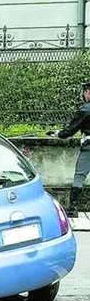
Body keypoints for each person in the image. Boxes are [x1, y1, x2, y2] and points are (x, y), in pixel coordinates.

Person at [47, 81, 90, 217]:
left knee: (79, 176)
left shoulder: (85, 110)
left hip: (89, 148)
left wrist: (56, 133)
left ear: (88, 92)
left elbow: (69, 132)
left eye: (85, 92)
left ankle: (72, 209)